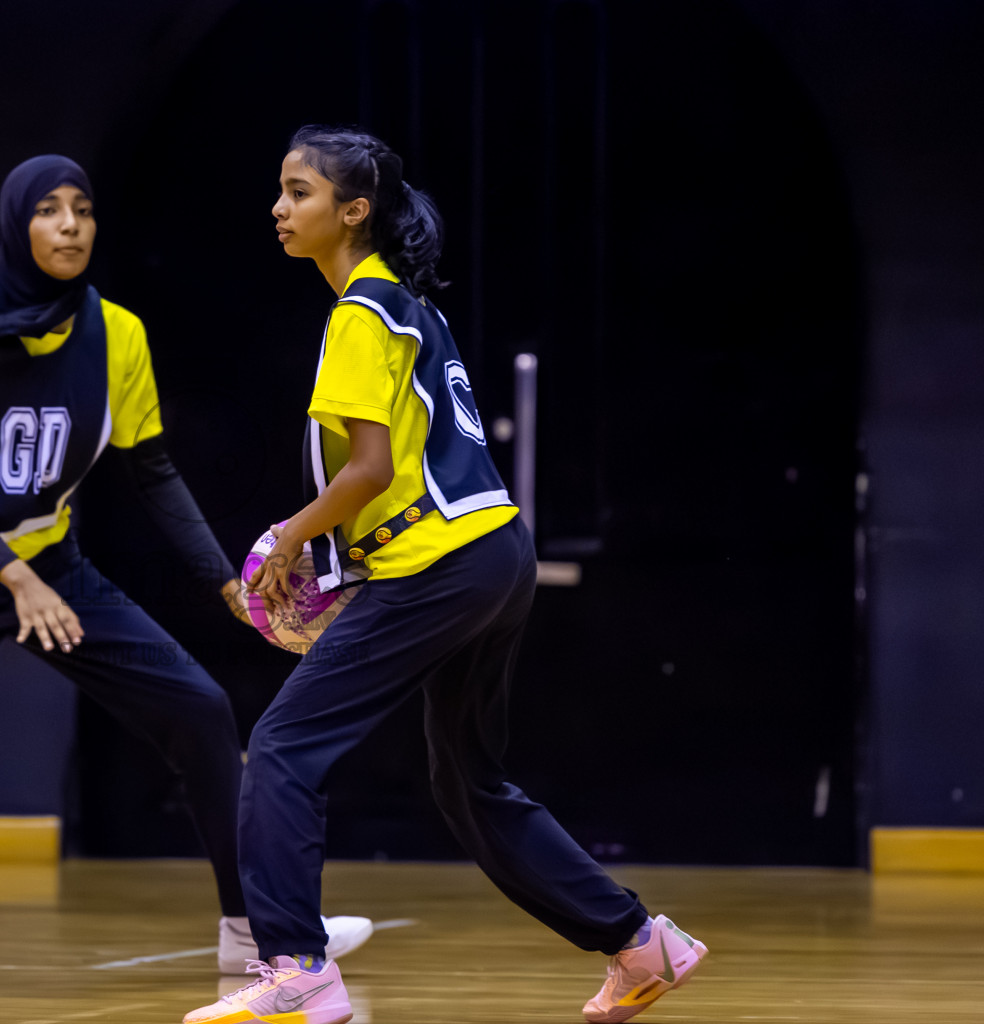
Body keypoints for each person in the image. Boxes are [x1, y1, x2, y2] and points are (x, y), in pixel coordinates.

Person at [183, 126, 708, 1024]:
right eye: (279, 189)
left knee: (279, 749)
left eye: (299, 191)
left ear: (354, 211)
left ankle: (297, 967)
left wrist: (287, 541)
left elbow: (369, 472)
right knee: (469, 781)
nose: (279, 207)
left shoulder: (359, 313)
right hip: (496, 554)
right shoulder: (409, 307)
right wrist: (326, 542)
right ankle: (639, 941)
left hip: (441, 565)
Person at [0, 154, 372, 973]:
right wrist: (15, 579)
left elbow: (151, 470)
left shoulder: (118, 335)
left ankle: (249, 927)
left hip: (54, 564)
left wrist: (224, 578)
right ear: (19, 225)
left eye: (82, 208)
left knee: (200, 708)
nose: (71, 224)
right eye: (50, 210)